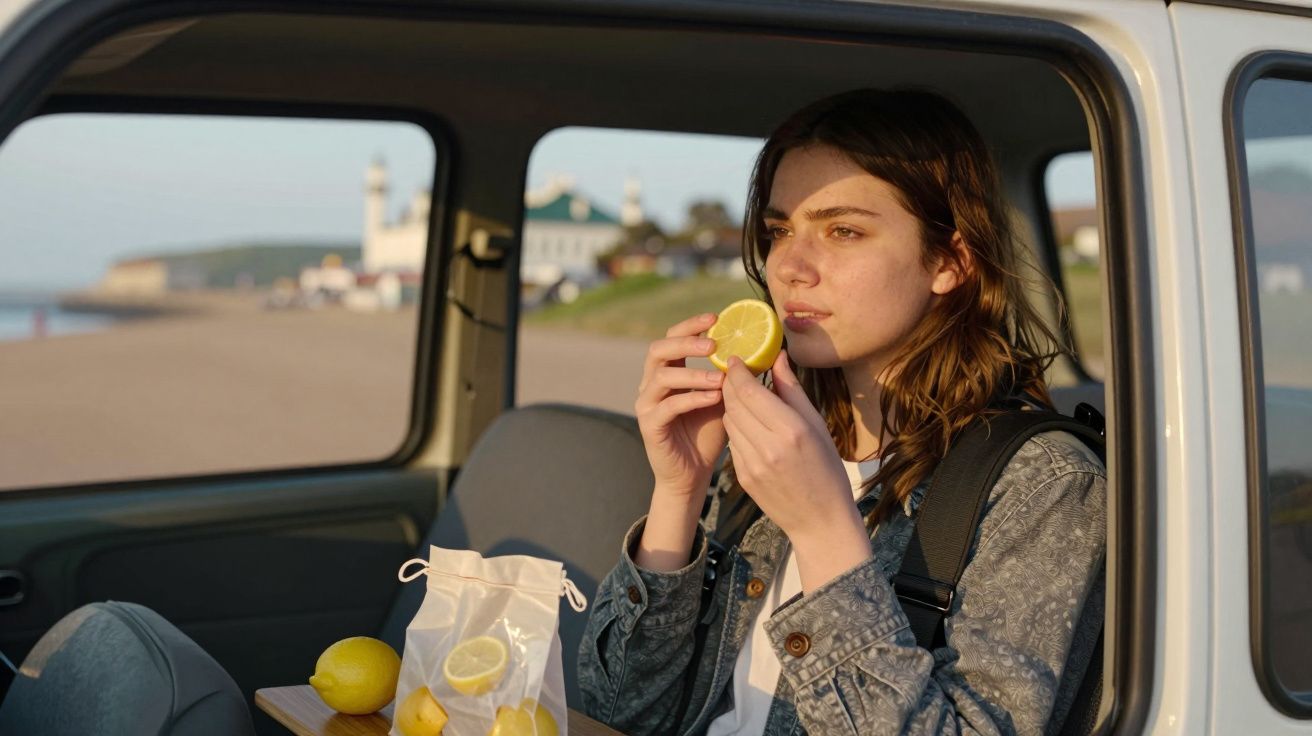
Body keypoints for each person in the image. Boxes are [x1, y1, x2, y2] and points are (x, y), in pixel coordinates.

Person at [576, 88, 1106, 736]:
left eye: (843, 231)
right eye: (778, 231)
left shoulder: (1046, 487)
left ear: (949, 261)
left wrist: (824, 529)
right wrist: (679, 493)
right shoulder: (768, 445)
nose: (789, 267)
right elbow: (616, 715)